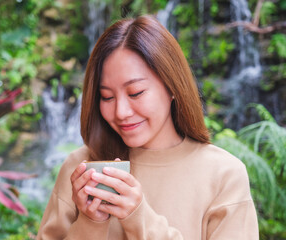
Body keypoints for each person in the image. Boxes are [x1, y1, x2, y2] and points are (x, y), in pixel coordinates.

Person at [36, 15, 259, 239]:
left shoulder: (224, 174)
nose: (121, 112)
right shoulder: (82, 169)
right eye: (106, 97)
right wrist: (91, 222)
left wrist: (138, 217)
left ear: (172, 86)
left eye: (136, 93)